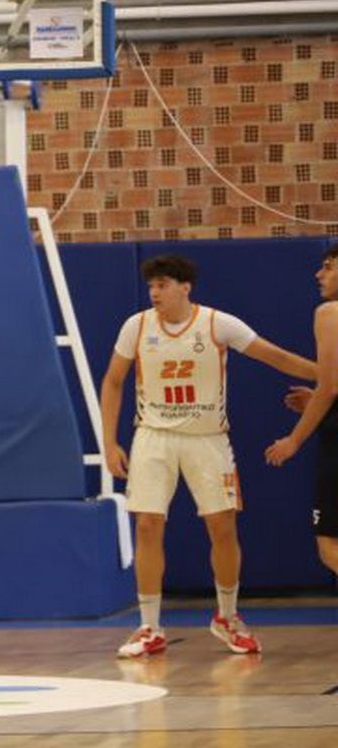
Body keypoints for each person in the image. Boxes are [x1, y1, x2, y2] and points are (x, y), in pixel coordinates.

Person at [100, 254, 317, 659]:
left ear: (185, 287)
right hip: (153, 435)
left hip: (207, 438)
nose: (154, 293)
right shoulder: (137, 326)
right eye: (151, 286)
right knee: (147, 525)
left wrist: (326, 375)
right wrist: (109, 442)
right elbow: (113, 381)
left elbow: (275, 356)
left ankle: (227, 617)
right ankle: (149, 626)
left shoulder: (218, 324)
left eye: (162, 285)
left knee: (223, 526)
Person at [265, 244, 338, 582]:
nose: (319, 274)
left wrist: (293, 440)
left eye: (328, 266)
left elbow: (329, 386)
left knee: (329, 545)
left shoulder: (330, 312)